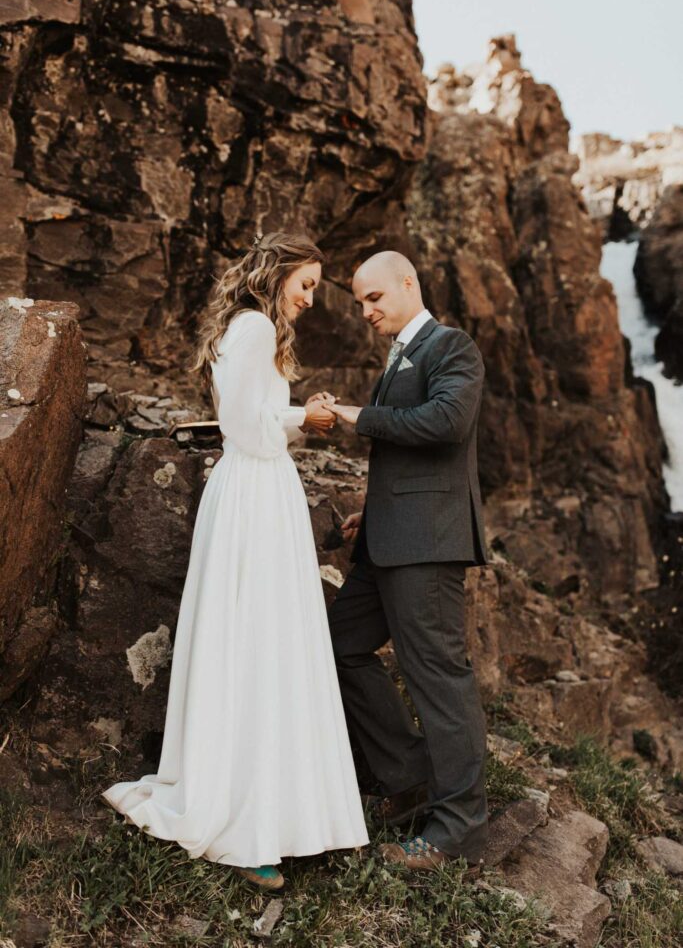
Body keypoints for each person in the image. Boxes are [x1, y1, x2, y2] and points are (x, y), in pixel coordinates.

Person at [101, 232, 369, 891]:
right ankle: (247, 819)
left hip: (258, 490)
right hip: (254, 491)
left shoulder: (247, 328)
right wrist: (304, 414)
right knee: (256, 640)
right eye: (304, 285)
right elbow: (248, 429)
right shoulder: (251, 328)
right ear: (274, 276)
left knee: (267, 642)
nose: (309, 299)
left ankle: (278, 812)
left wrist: (295, 416)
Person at [327, 250, 489, 873]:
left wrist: (355, 415)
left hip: (429, 547)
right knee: (341, 646)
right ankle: (411, 773)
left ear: (407, 284)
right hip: (388, 541)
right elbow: (412, 460)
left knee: (439, 680)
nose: (366, 310)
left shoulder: (452, 345)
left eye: (374, 297)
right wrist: (375, 511)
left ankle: (457, 828)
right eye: (359, 302)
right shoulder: (399, 355)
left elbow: (447, 423)